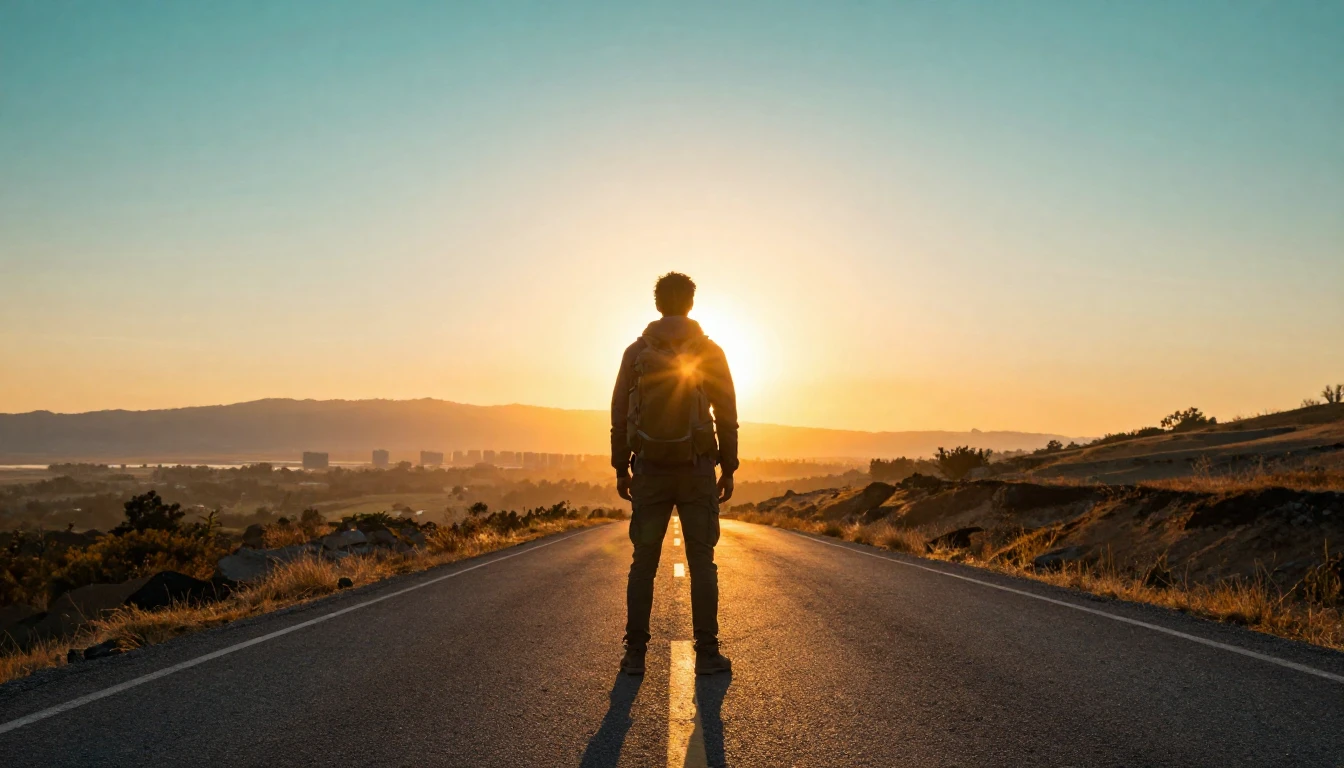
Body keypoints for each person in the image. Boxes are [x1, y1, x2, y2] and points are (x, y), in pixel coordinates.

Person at [610, 271, 737, 676]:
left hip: (649, 469)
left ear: (658, 303)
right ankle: (707, 653)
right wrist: (728, 466)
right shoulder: (710, 352)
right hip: (697, 468)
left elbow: (617, 414)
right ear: (691, 303)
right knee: (702, 562)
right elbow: (727, 413)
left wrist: (621, 467)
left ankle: (635, 654)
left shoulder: (636, 352)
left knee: (643, 562)